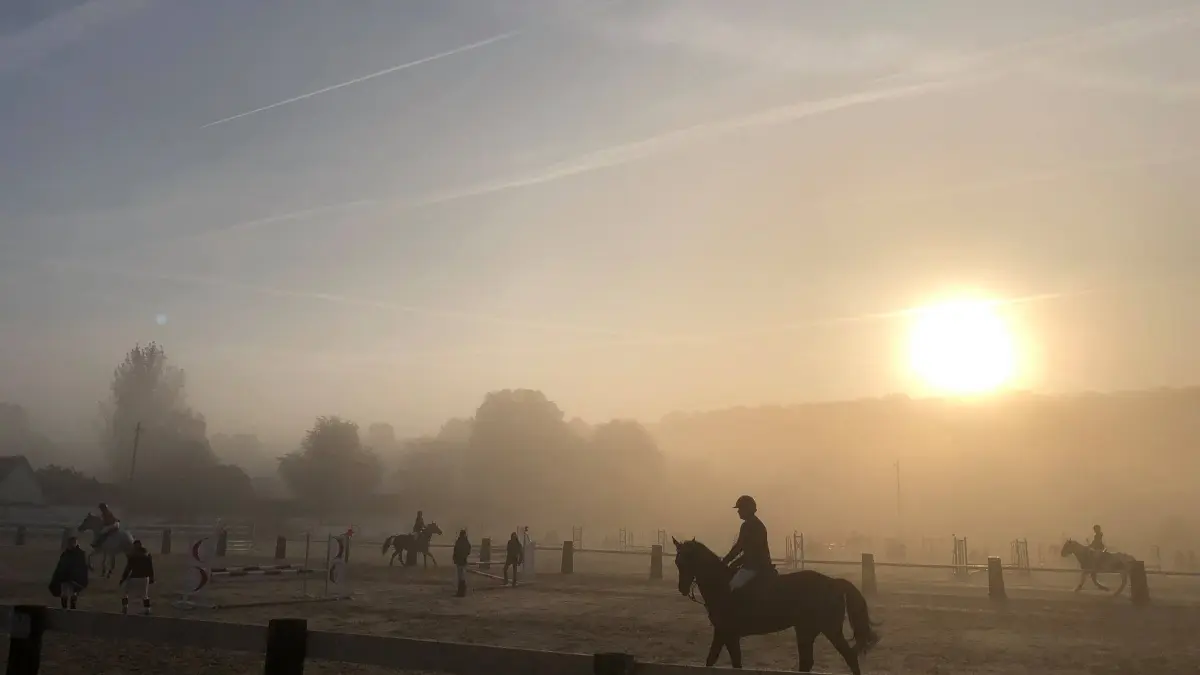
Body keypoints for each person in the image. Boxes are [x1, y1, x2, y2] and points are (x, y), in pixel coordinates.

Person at [722, 495, 773, 597]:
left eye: (740, 508)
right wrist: (727, 561)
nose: (738, 511)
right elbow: (739, 548)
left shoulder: (751, 525)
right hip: (753, 565)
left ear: (747, 509)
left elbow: (746, 550)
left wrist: (727, 562)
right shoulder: (751, 524)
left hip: (756, 567)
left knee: (733, 585)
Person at [49, 536, 89, 609]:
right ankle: (64, 609)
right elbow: (61, 566)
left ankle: (72, 608)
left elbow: (82, 567)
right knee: (64, 594)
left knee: (74, 593)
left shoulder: (80, 554)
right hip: (65, 578)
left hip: (75, 578)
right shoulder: (66, 554)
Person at [119, 539, 156, 615]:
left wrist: (123, 579)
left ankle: (125, 606)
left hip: (135, 577)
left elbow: (128, 569)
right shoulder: (147, 554)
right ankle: (147, 609)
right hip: (145, 578)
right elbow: (150, 567)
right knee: (144, 594)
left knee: (124, 591)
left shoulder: (132, 556)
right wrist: (151, 577)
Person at [452, 529, 472, 597]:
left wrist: (455, 558)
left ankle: (460, 592)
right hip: (462, 560)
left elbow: (455, 550)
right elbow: (468, 550)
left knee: (460, 577)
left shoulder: (459, 541)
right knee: (462, 577)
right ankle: (462, 592)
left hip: (460, 560)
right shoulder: (465, 542)